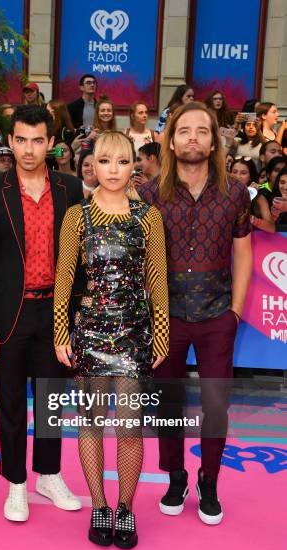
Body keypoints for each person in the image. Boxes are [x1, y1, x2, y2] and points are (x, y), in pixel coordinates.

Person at [0, 104, 84, 522]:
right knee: (11, 401)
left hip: (56, 313)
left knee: (52, 400)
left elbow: (80, 258)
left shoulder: (70, 189)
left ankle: (48, 474)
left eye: (38, 140)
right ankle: (16, 483)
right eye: (21, 140)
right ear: (10, 141)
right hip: (9, 314)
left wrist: (77, 316)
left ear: (51, 143)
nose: (29, 149)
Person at [138, 101, 252, 526]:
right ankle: (176, 476)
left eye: (201, 131)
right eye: (184, 130)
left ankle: (209, 479)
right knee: (167, 402)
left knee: (215, 404)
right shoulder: (149, 194)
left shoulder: (235, 193)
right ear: (171, 139)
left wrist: (235, 312)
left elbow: (243, 252)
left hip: (217, 315)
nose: (192, 138)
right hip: (166, 318)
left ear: (213, 140)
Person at [54, 131, 169, 548]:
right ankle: (99, 505)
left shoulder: (148, 217)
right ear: (92, 165)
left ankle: (125, 508)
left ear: (133, 166)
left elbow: (156, 280)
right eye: (105, 161)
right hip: (88, 333)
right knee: (90, 423)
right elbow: (64, 277)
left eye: (122, 162)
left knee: (130, 427)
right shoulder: (76, 216)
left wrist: (160, 336)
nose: (114, 170)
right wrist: (60, 333)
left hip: (136, 333)